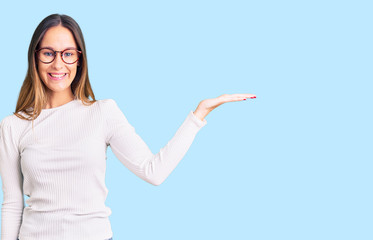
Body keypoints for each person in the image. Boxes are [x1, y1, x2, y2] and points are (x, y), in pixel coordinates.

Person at [0, 13, 256, 240]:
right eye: (48, 53)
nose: (58, 64)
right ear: (35, 57)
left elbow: (153, 171)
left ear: (79, 59)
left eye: (68, 53)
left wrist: (198, 115)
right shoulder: (13, 126)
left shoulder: (103, 112)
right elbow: (12, 204)